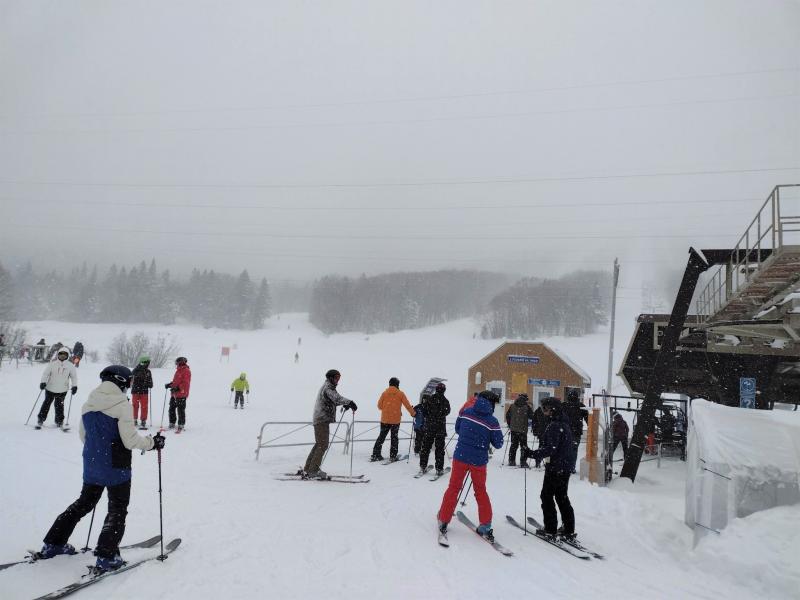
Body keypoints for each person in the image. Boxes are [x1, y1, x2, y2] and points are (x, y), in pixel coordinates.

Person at [37, 365, 165, 573]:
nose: (129, 384)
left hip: (93, 465)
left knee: (83, 504)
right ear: (120, 381)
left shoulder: (89, 403)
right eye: (129, 381)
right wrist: (153, 442)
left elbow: (83, 436)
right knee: (117, 510)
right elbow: (130, 440)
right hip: (117, 467)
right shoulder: (122, 405)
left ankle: (54, 543)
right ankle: (106, 556)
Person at [437, 390, 503, 541]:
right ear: (491, 404)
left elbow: (458, 429)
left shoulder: (466, 411)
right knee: (480, 491)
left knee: (453, 488)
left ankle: (444, 518)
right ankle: (485, 525)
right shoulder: (492, 421)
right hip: (478, 461)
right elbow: (498, 444)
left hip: (461, 456)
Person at [527, 397, 576, 541]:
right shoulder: (563, 423)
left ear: (553, 409)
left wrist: (532, 453)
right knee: (561, 497)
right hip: (564, 466)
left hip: (556, 467)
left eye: (545, 409)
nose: (544, 412)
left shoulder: (556, 425)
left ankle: (550, 529)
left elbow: (551, 449)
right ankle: (568, 528)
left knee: (547, 496)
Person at [302, 369, 357, 479]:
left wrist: (345, 404)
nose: (338, 380)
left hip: (320, 418)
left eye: (339, 378)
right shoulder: (328, 388)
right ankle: (313, 470)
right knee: (323, 445)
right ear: (331, 378)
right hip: (322, 419)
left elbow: (332, 401)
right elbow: (336, 398)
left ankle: (309, 468)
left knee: (319, 444)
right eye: (336, 378)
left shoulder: (328, 387)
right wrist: (349, 402)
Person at [371, 377, 415, 462]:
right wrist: (413, 413)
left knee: (381, 437)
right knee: (394, 438)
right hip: (395, 420)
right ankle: (392, 456)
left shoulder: (384, 393)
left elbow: (379, 406)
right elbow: (407, 405)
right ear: (397, 384)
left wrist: (387, 408)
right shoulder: (400, 393)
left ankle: (376, 454)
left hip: (385, 420)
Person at [37, 347, 78, 428]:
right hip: (50, 388)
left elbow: (74, 377)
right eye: (61, 354)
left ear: (67, 356)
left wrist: (74, 386)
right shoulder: (52, 364)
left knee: (59, 405)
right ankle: (41, 419)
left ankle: (59, 421)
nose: (62, 356)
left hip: (62, 390)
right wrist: (43, 382)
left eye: (64, 354)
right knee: (46, 404)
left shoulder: (70, 366)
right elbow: (46, 374)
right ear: (58, 355)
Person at [419, 382, 451, 477]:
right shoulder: (445, 401)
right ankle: (439, 469)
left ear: (436, 389)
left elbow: (424, 411)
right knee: (439, 449)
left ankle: (423, 466)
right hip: (440, 429)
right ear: (444, 390)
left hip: (429, 427)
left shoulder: (430, 399)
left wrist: (430, 416)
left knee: (425, 447)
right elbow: (447, 412)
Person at [563, 389, 589, 473]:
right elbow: (588, 419)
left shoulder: (564, 405)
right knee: (574, 450)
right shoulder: (581, 406)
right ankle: (571, 467)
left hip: (564, 432)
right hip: (576, 432)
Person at [506, 393, 534, 468]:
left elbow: (507, 416)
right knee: (524, 446)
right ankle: (523, 462)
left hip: (514, 429)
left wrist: (510, 425)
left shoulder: (512, 406)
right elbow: (532, 416)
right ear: (526, 399)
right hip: (522, 430)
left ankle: (511, 461)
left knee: (513, 445)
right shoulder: (526, 407)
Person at [164, 356, 191, 431]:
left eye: (177, 363)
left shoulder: (186, 371)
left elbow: (186, 383)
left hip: (181, 393)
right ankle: (172, 422)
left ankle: (181, 424)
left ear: (181, 362)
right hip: (174, 393)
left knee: (180, 410)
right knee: (171, 408)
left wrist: (178, 388)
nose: (176, 364)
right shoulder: (178, 370)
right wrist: (170, 385)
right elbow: (176, 382)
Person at [130, 356, 153, 428]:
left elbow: (151, 384)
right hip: (136, 391)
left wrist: (147, 383)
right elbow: (131, 381)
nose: (149, 364)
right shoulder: (135, 371)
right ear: (145, 363)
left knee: (144, 407)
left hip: (143, 392)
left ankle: (143, 420)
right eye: (148, 363)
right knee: (135, 406)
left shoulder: (148, 372)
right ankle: (134, 419)